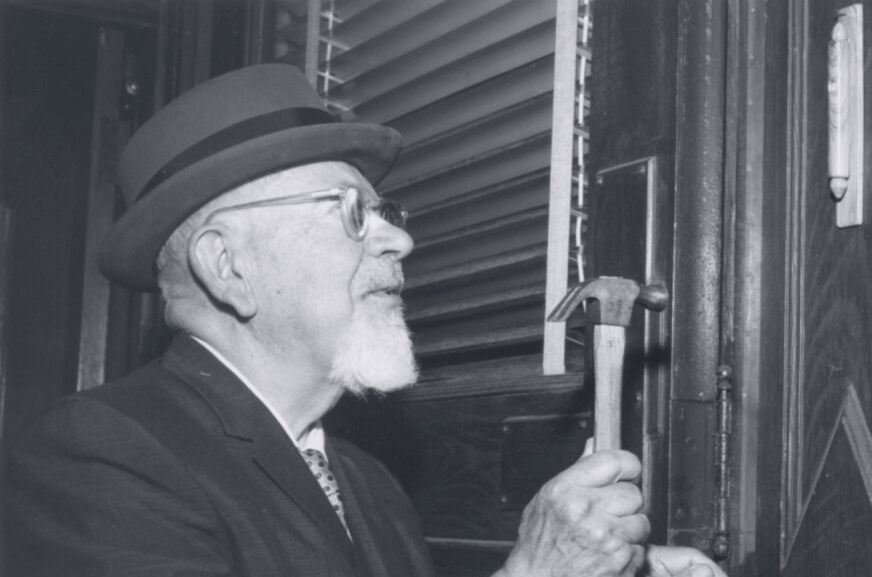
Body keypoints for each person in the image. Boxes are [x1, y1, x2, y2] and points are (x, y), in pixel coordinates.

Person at [2, 64, 725, 577]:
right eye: (352, 213)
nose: (399, 240)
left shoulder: (368, 484)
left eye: (386, 212)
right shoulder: (97, 460)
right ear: (228, 266)